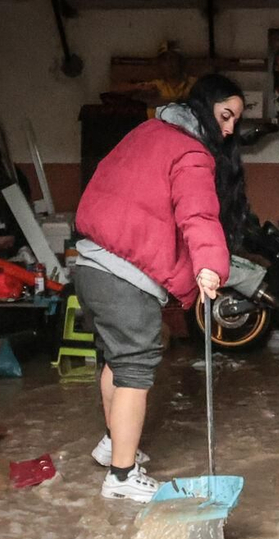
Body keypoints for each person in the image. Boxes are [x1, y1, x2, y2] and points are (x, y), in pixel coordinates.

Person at [71, 74, 251, 502]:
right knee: (135, 366)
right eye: (225, 116)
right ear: (205, 107)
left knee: (116, 360)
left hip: (90, 265)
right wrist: (210, 264)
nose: (228, 129)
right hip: (124, 273)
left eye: (234, 122)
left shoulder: (148, 131)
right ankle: (120, 477)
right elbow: (199, 214)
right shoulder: (191, 152)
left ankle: (112, 443)